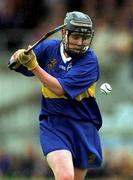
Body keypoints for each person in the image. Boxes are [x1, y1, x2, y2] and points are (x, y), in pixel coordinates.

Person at [9, 11, 103, 180]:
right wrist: (17, 57)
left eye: (84, 38)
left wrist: (34, 66)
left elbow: (59, 89)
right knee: (65, 177)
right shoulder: (49, 48)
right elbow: (22, 62)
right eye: (75, 37)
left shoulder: (89, 61)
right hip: (54, 122)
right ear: (64, 33)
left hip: (83, 125)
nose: (80, 43)